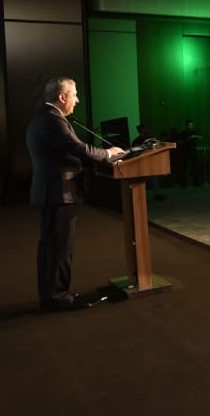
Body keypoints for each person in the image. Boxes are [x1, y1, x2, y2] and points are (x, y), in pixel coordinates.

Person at [26, 77, 124, 310]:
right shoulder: (52, 120)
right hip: (59, 192)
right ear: (62, 97)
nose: (77, 100)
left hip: (52, 192)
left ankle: (51, 295)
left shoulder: (43, 117)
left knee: (51, 247)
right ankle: (58, 298)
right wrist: (108, 154)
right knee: (59, 248)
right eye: (75, 94)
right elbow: (79, 149)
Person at [177, 119, 202, 188]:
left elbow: (200, 137)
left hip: (193, 151)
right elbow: (179, 142)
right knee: (185, 167)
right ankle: (184, 183)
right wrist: (188, 139)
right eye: (189, 125)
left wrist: (195, 136)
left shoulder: (194, 132)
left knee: (196, 166)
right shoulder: (183, 133)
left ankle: (196, 182)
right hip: (186, 152)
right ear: (186, 125)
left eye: (191, 125)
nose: (190, 127)